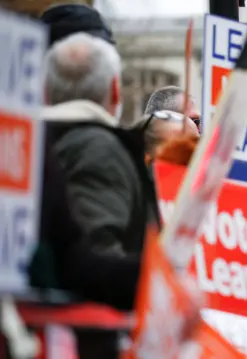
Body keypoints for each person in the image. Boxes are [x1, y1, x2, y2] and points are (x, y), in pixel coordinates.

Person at [42, 32, 159, 255]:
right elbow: (97, 256)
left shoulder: (26, 142)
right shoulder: (98, 151)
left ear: (45, 92)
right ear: (116, 91)